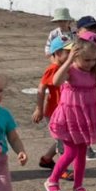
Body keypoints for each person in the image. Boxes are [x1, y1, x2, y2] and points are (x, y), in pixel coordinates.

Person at [44, 32, 96, 191]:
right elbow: (56, 81)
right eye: (86, 60)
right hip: (69, 118)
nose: (90, 63)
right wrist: (68, 61)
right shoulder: (71, 71)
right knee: (70, 152)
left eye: (93, 60)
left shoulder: (93, 72)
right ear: (76, 56)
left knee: (82, 153)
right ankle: (52, 181)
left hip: (85, 118)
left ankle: (78, 186)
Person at [33, 35, 71, 174]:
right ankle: (62, 169)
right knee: (63, 141)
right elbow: (41, 88)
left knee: (63, 139)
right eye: (68, 52)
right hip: (55, 112)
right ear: (58, 53)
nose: (71, 55)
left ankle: (47, 159)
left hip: (65, 112)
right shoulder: (53, 68)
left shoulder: (66, 68)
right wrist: (39, 109)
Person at [76, 15, 96, 161]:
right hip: (73, 98)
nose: (93, 33)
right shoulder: (73, 50)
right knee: (72, 130)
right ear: (78, 31)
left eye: (95, 30)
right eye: (89, 29)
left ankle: (85, 149)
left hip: (89, 94)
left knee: (85, 124)